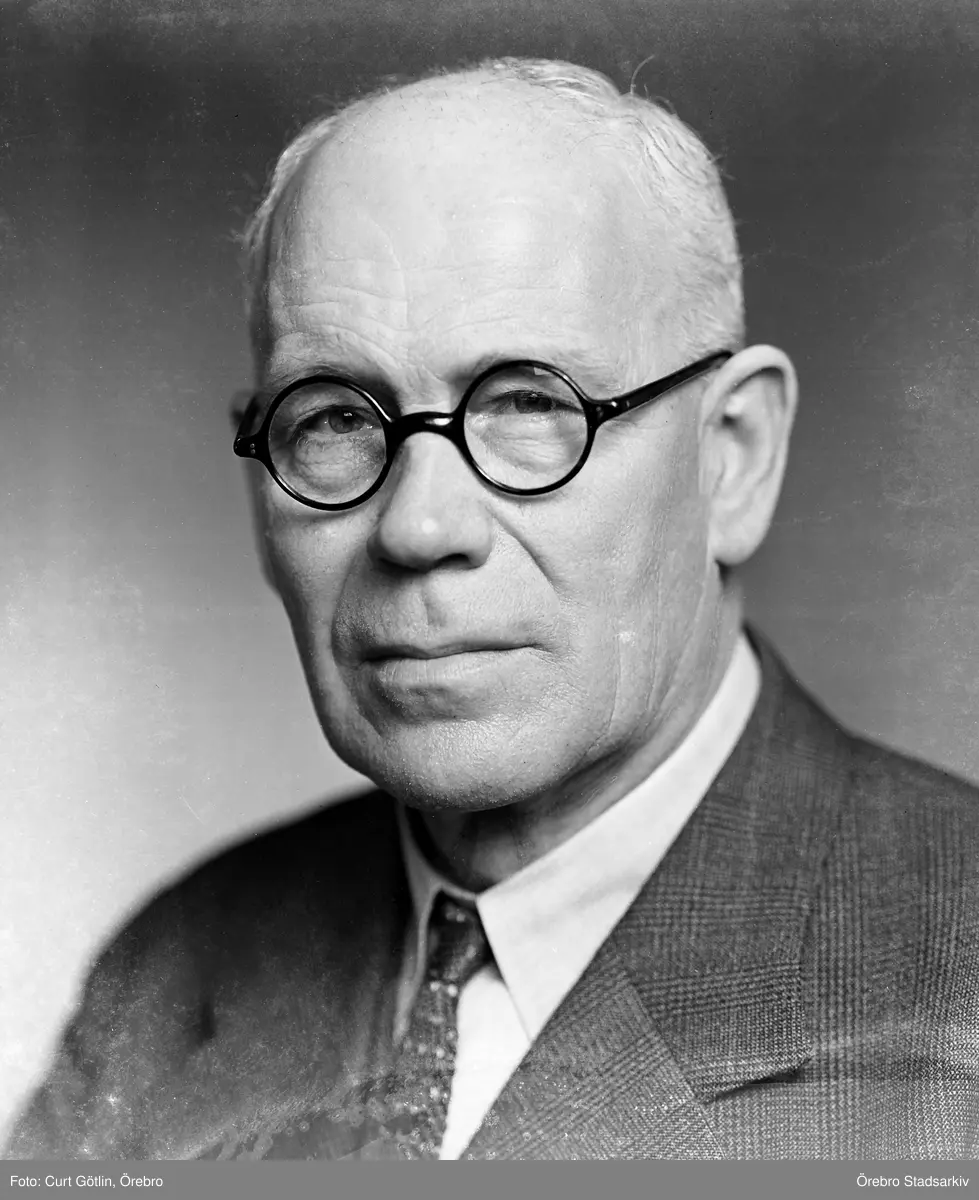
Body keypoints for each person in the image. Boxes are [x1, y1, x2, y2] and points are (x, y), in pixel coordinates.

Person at [6, 57, 979, 1162]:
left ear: (733, 458)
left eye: (526, 404)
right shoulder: (171, 975)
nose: (419, 526)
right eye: (335, 420)